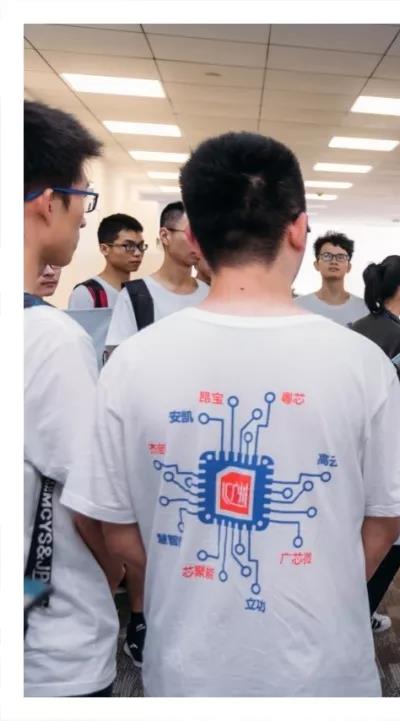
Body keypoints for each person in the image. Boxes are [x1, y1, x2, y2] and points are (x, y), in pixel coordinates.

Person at [61, 131, 400, 696]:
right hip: (325, 668)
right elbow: (385, 521)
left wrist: (178, 583)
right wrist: (327, 590)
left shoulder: (130, 363)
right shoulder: (363, 364)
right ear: (300, 230)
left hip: (187, 665)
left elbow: (111, 524)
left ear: (195, 239)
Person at [23, 100, 120, 698]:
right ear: (47, 201)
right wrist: (119, 570)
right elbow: (91, 502)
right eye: (82, 197)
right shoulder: (48, 338)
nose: (84, 217)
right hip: (50, 649)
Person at [349, 254, 400, 635]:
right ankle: (356, 608)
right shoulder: (399, 336)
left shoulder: (356, 327)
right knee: (390, 531)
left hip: (353, 441)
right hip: (385, 446)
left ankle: (352, 606)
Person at [104, 201, 209, 353]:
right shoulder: (135, 295)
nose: (200, 243)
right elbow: (118, 358)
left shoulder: (209, 295)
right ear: (165, 236)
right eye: (192, 234)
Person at [68, 213, 146, 309]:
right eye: (129, 246)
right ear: (104, 249)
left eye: (141, 246)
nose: (138, 253)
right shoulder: (86, 293)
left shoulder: (141, 294)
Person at [294, 231, 369, 325]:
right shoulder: (299, 306)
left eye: (340, 257)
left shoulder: (364, 309)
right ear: (316, 265)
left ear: (349, 267)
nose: (334, 261)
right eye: (327, 256)